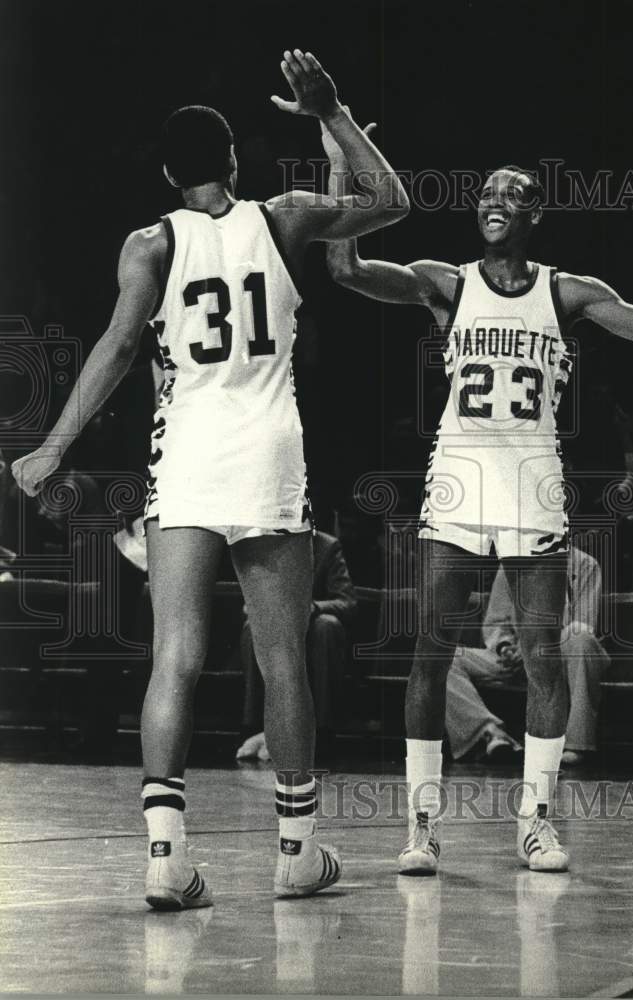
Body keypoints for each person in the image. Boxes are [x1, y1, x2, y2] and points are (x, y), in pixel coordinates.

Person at [12, 50, 409, 908]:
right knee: (282, 658)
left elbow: (119, 349)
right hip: (269, 454)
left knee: (177, 657)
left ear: (165, 171)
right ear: (235, 163)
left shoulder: (149, 241)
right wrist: (331, 112)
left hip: (186, 456)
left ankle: (165, 860)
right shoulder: (285, 217)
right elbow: (391, 202)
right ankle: (296, 851)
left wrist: (51, 449)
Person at [325, 137, 633, 873]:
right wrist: (336, 161)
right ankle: (421, 826)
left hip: (533, 483)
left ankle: (535, 821)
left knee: (544, 655)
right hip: (456, 476)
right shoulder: (443, 282)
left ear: (534, 213)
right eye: (483, 191)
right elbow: (343, 268)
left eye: (509, 193)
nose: (491, 201)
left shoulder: (564, 291)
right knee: (430, 651)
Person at [446, 547, 609, 766]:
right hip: (513, 659)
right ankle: (489, 733)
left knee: (581, 639)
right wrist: (505, 647)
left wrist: (535, 649)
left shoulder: (585, 565)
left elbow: (582, 625)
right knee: (444, 657)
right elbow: (496, 622)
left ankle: (577, 745)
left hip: (557, 660)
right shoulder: (510, 565)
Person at [236, 529, 358, 761]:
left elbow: (347, 601)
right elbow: (248, 602)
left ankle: (322, 732)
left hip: (314, 625)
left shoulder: (327, 546)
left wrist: (312, 607)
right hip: (276, 620)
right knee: (254, 627)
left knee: (326, 627)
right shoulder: (263, 542)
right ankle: (253, 727)